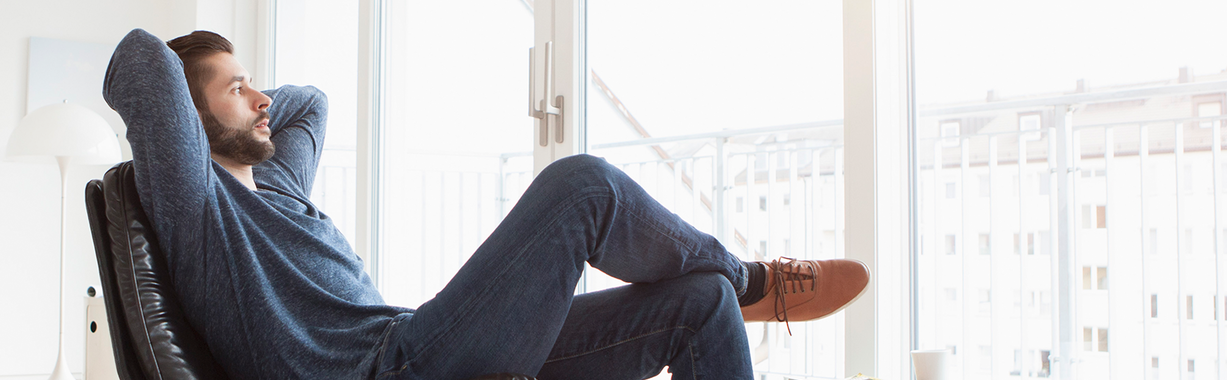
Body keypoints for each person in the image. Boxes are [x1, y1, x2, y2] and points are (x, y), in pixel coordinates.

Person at [101, 28, 870, 380]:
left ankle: (729, 287)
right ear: (187, 126)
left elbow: (311, 103)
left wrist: (241, 98)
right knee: (582, 186)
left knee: (698, 304)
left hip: (418, 342)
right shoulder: (198, 210)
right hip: (390, 371)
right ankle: (756, 282)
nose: (263, 97)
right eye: (237, 89)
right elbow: (139, 60)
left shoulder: (275, 185)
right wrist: (201, 108)